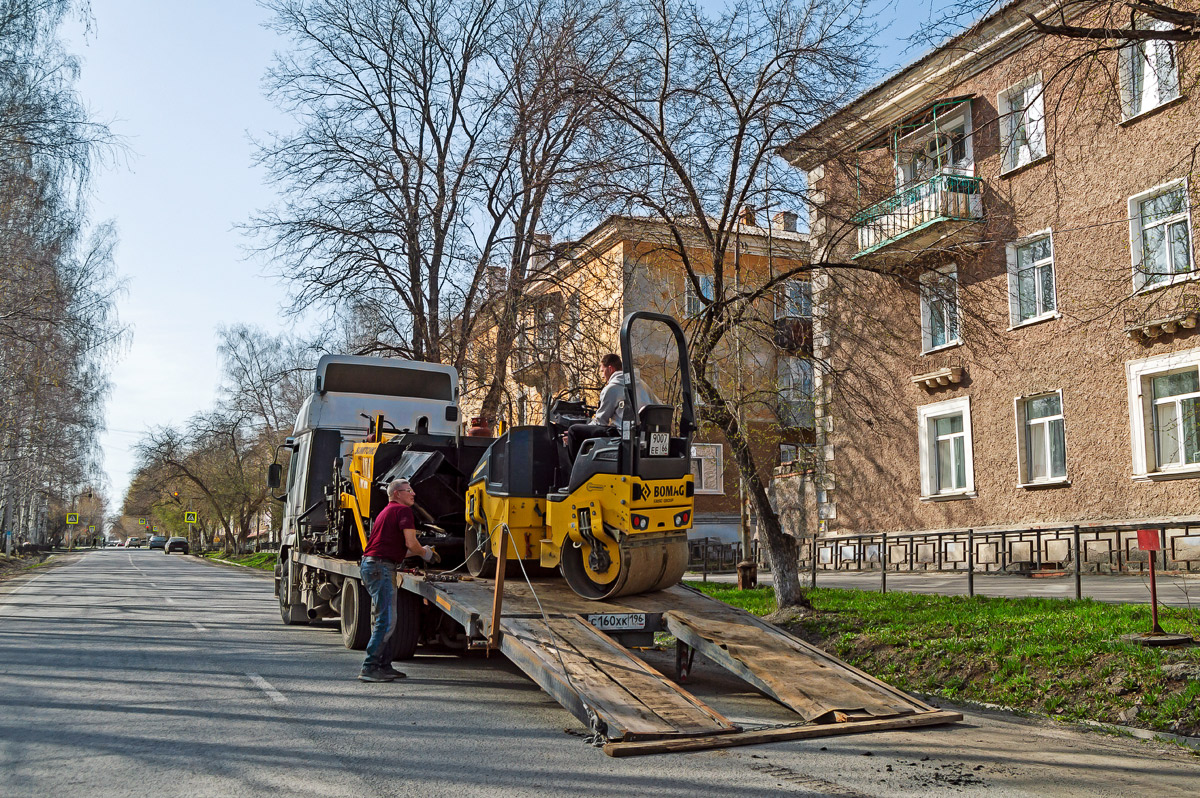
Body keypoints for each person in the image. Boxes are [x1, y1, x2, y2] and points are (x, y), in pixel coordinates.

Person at [358, 478, 436, 683]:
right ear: (396, 494)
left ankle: (385, 666)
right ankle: (369, 667)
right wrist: (426, 554)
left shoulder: (386, 512)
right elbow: (411, 543)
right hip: (381, 568)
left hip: (373, 565)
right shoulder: (403, 512)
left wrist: (420, 552)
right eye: (408, 490)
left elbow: (399, 548)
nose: (413, 494)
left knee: (385, 618)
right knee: (386, 620)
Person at [565, 353, 627, 460]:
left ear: (610, 369)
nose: (602, 376)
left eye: (602, 371)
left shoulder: (612, 388)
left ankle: (577, 473)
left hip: (621, 434)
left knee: (573, 431)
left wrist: (583, 430)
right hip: (636, 434)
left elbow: (600, 421)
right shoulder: (640, 385)